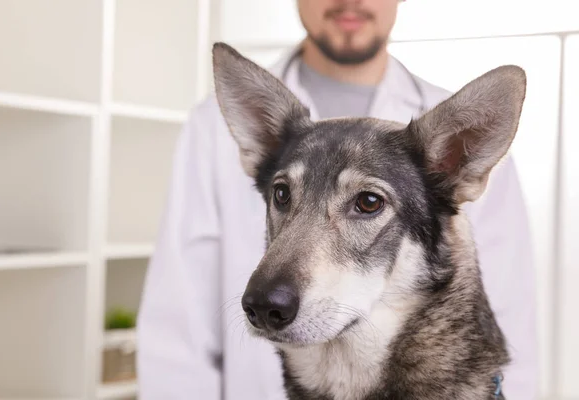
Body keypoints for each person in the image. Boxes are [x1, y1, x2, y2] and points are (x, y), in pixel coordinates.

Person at [136, 1, 538, 399]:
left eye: (366, 202)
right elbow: (176, 326)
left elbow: (511, 308)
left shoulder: (458, 141)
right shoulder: (210, 126)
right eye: (282, 194)